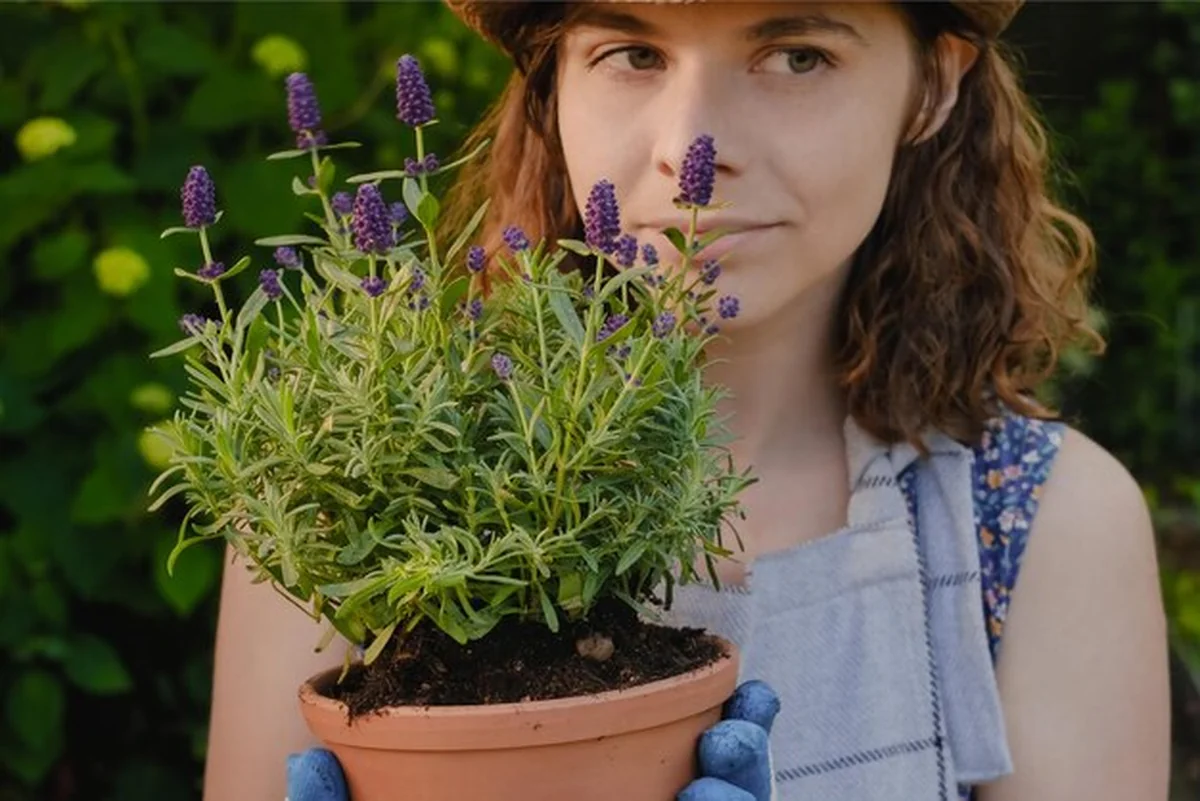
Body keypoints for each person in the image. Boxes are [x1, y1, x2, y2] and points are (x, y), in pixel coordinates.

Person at [203, 2, 1172, 800]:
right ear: (552, 86)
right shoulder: (339, 503)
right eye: (632, 51)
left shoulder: (1038, 527)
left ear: (935, 81)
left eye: (797, 55)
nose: (693, 145)